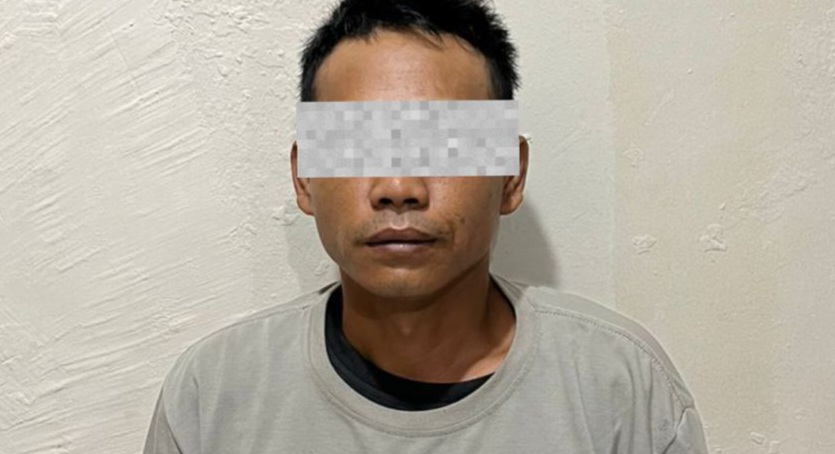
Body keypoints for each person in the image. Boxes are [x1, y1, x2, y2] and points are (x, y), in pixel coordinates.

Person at [143, 0, 709, 452]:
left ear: (510, 175)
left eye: (444, 144)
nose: (398, 186)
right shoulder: (212, 397)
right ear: (304, 177)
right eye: (356, 145)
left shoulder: (621, 390)